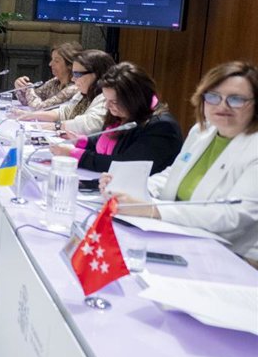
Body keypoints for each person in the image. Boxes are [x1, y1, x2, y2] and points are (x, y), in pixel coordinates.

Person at [102, 61, 258, 259]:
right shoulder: (201, 131)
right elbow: (171, 175)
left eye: (236, 99)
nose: (222, 105)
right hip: (178, 236)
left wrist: (153, 210)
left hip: (231, 255)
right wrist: (129, 187)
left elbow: (233, 216)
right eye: (213, 96)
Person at [51, 62, 181, 174]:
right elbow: (106, 140)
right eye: (106, 100)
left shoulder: (162, 127)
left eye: (114, 101)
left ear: (135, 99)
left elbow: (125, 164)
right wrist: (80, 141)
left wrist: (76, 155)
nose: (108, 106)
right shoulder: (124, 113)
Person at [15, 49, 115, 136]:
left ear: (96, 74)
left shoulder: (106, 98)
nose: (73, 79)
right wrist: (32, 115)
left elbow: (90, 125)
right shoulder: (84, 94)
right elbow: (64, 112)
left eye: (77, 74)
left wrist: (57, 126)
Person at [14, 41, 81, 110]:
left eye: (56, 61)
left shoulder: (73, 88)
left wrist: (29, 87)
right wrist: (20, 87)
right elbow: (28, 101)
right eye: (52, 59)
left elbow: (39, 108)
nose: (50, 64)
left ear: (70, 65)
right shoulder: (55, 81)